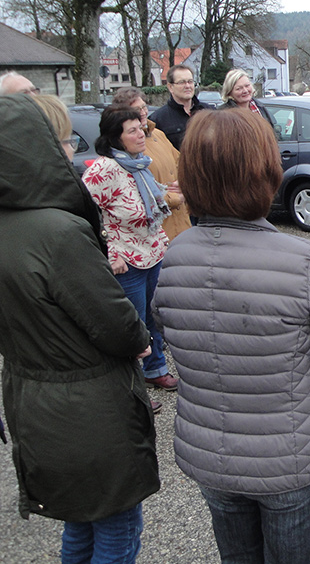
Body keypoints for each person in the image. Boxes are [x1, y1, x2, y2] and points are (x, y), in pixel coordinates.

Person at [153, 107, 310, 564]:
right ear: (265, 169)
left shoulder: (175, 255)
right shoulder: (301, 260)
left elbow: (178, 342)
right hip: (293, 458)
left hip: (214, 457)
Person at [0, 93, 159, 564]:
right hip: (88, 405)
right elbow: (115, 323)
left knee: (80, 520)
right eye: (64, 139)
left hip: (33, 397)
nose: (72, 149)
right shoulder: (56, 232)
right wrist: (141, 339)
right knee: (116, 522)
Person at [82, 106, 178, 403]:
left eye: (141, 127)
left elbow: (149, 201)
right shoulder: (103, 170)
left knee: (154, 317)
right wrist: (109, 251)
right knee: (132, 327)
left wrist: (168, 192)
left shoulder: (138, 163)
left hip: (153, 252)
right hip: (127, 261)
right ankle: (132, 389)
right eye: (133, 130)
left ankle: (155, 369)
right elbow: (86, 215)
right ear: (116, 137)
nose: (141, 134)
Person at [112, 86, 190, 240]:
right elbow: (137, 191)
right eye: (136, 109)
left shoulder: (158, 134)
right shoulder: (127, 146)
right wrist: (175, 199)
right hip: (157, 233)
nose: (142, 112)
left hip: (182, 224)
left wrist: (183, 182)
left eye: (143, 107)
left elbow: (181, 162)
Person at [149, 64, 206, 150]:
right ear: (170, 87)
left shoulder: (209, 111)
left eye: (190, 81)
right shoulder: (157, 120)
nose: (187, 86)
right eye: (182, 82)